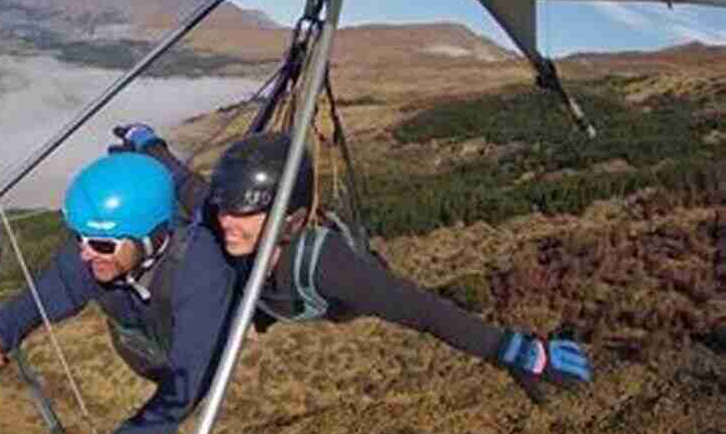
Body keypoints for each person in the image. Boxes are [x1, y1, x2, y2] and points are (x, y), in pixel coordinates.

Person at [109, 123, 594, 398]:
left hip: (315, 294)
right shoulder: (227, 222)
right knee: (181, 245)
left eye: (244, 213)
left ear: (289, 220)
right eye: (226, 208)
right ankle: (167, 349)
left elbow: (424, 311)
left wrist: (514, 350)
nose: (228, 220)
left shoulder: (329, 266)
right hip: (264, 291)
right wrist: (150, 146)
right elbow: (189, 186)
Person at [0, 152, 238, 434]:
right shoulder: (95, 257)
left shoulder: (203, 274)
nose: (85, 253)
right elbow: (42, 296)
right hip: (141, 344)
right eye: (78, 237)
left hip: (189, 353)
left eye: (99, 244)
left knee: (190, 370)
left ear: (150, 239)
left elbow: (184, 389)